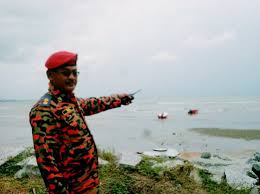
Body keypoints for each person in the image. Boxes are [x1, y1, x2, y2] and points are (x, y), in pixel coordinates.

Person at [29, 51, 134, 194]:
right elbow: (46, 162)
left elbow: (94, 103)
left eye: (75, 73)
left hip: (89, 182)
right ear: (50, 76)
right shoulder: (44, 110)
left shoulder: (70, 102)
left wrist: (119, 99)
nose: (72, 78)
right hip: (72, 188)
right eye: (66, 73)